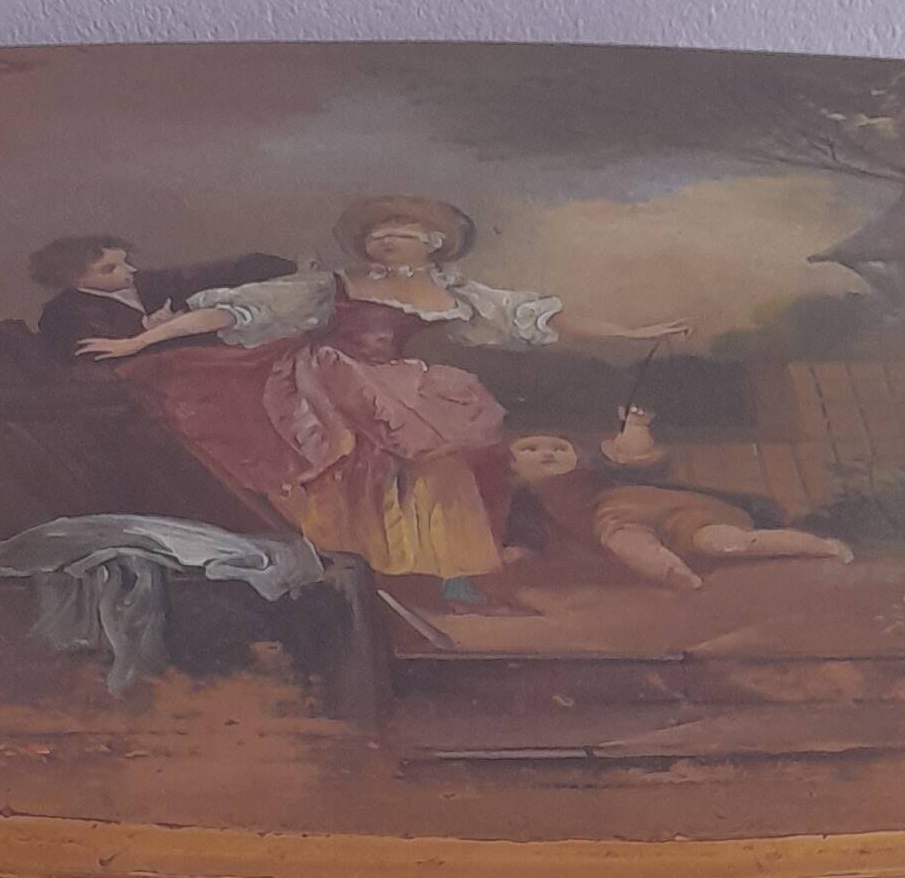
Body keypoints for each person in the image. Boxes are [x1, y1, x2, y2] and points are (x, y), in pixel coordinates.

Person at [108, 196, 683, 598]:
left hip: (401, 382)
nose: (382, 242)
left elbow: (541, 315)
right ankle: (349, 571)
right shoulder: (335, 286)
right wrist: (146, 337)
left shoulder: (453, 292)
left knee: (447, 459)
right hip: (330, 379)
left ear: (432, 245)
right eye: (375, 237)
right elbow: (243, 308)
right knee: (347, 465)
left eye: (397, 234)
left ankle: (449, 570)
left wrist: (633, 334)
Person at [503, 406, 856, 591]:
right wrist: (520, 551)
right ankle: (678, 575)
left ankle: (818, 545)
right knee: (628, 539)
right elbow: (524, 532)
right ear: (513, 465)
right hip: (614, 523)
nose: (547, 453)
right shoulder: (526, 498)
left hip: (660, 508)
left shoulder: (596, 470)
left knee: (728, 541)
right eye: (531, 449)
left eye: (558, 447)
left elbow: (628, 455)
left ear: (577, 455)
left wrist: (635, 428)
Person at [26, 233, 287, 361]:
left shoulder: (148, 282)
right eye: (110, 269)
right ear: (76, 280)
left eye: (125, 262)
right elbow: (96, 359)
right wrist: (150, 331)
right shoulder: (64, 314)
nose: (130, 271)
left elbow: (223, 270)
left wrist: (281, 267)